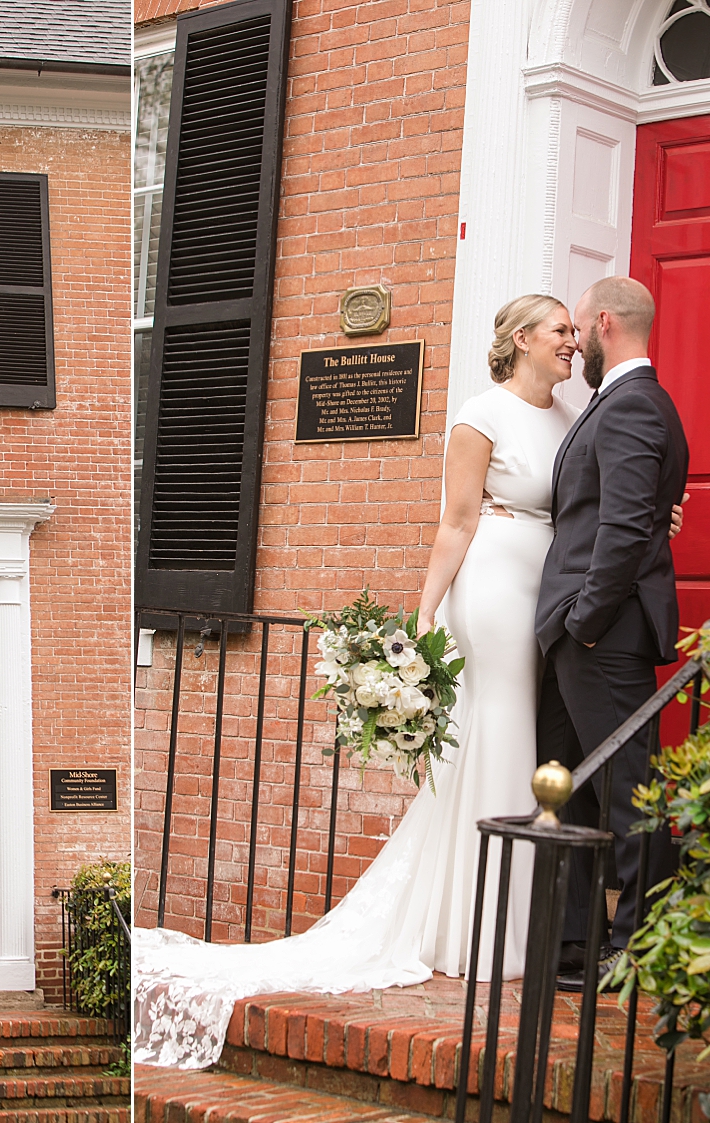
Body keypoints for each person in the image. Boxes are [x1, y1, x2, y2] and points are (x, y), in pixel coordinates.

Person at [135, 293, 650, 1070]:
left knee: (537, 745)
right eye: (559, 333)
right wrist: (424, 613)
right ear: (518, 340)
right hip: (498, 588)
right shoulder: (481, 412)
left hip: (555, 589)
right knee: (505, 733)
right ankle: (485, 926)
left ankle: (540, 920)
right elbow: (456, 520)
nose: (573, 343)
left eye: (576, 333)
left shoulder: (578, 414)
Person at [535, 276, 688, 992]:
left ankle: (635, 948)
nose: (576, 345)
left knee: (631, 791)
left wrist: (585, 622)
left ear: (604, 325)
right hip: (576, 632)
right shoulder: (619, 404)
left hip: (602, 632)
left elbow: (625, 530)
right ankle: (578, 938)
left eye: (580, 332)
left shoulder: (631, 407)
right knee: (579, 791)